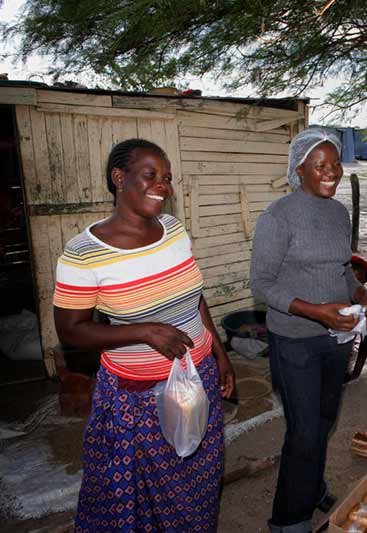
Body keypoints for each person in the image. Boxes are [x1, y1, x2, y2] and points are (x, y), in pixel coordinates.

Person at [53, 139, 235, 532]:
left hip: (196, 375)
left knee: (197, 480)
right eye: (150, 175)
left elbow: (195, 299)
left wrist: (220, 354)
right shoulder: (84, 253)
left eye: (167, 178)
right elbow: (70, 330)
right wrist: (145, 332)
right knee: (139, 496)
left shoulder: (174, 230)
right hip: (135, 396)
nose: (162, 186)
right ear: (120, 178)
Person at [250, 129, 367, 533]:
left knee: (323, 419)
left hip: (335, 338)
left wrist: (359, 291)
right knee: (303, 430)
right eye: (320, 165)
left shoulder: (338, 213)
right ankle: (289, 520)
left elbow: (341, 268)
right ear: (299, 169)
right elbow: (262, 285)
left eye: (335, 164)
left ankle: (313, 486)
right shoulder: (279, 216)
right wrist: (315, 312)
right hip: (294, 340)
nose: (331, 172)